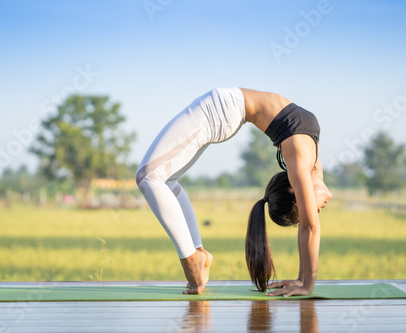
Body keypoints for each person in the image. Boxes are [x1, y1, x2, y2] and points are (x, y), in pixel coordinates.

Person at [135, 87, 332, 296]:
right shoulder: (302, 159)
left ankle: (195, 254)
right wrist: (306, 285)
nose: (313, 209)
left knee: (158, 179)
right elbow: (310, 228)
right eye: (305, 207)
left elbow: (309, 224)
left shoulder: (306, 156)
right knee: (150, 177)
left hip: (223, 110)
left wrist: (302, 279)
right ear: (296, 192)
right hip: (222, 109)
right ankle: (191, 257)